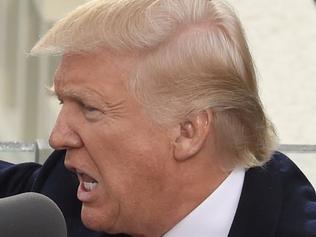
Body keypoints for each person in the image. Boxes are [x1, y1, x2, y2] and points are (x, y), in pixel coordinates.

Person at [1, 0, 316, 236]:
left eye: (89, 108)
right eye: (62, 101)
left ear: (187, 132)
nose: (58, 137)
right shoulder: (62, 195)